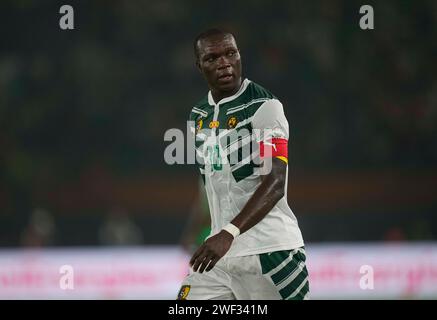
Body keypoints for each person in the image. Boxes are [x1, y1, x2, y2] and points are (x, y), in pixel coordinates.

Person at [177, 28, 309, 300]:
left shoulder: (264, 107)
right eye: (213, 58)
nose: (224, 62)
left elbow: (275, 182)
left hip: (270, 253)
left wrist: (229, 232)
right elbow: (211, 188)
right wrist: (203, 230)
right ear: (199, 65)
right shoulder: (199, 116)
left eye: (231, 53)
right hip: (219, 256)